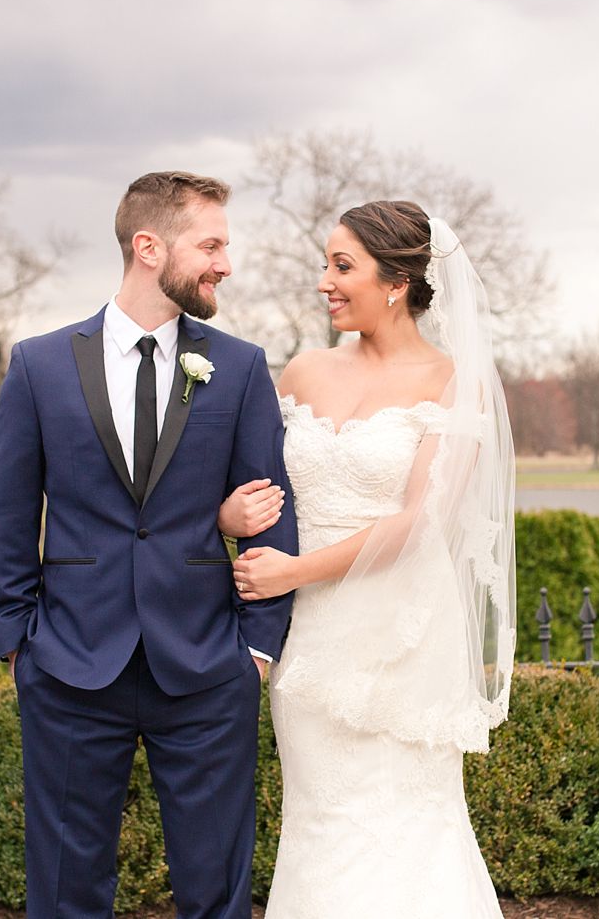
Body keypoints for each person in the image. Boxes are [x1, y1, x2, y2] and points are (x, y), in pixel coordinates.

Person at [0, 171, 297, 919]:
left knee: (216, 890)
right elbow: (7, 512)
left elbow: (272, 508)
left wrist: (255, 651)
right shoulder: (40, 366)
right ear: (149, 246)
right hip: (69, 667)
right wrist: (19, 643)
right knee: (64, 889)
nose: (224, 263)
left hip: (207, 666)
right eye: (211, 244)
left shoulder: (241, 366)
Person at [227, 200, 517, 917]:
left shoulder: (454, 382)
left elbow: (420, 521)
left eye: (342, 265)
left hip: (402, 633)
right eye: (326, 263)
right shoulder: (300, 372)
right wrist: (228, 516)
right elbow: (252, 484)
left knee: (409, 823)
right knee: (322, 821)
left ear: (395, 281)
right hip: (311, 636)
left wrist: (292, 573)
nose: (324, 280)